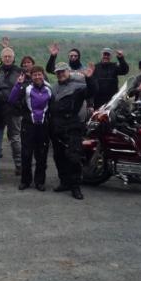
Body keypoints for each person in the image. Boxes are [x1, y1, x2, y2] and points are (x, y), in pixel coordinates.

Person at [9, 66, 52, 191]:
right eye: (35, 75)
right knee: (26, 154)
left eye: (39, 74)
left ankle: (40, 182)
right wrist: (18, 84)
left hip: (43, 126)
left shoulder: (49, 88)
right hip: (28, 126)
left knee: (41, 155)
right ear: (31, 77)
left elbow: (53, 105)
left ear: (43, 75)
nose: (37, 77)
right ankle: (25, 181)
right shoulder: (26, 88)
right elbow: (11, 100)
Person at [49, 61, 88, 200]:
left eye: (63, 71)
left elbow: (91, 91)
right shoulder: (53, 88)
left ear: (68, 71)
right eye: (58, 72)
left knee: (73, 157)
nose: (60, 74)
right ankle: (64, 182)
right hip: (56, 126)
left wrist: (90, 78)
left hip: (72, 125)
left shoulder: (79, 86)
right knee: (58, 156)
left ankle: (75, 187)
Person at [0, 47, 22, 175]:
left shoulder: (19, 71)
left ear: (13, 58)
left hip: (14, 110)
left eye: (9, 56)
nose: (7, 58)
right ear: (1, 58)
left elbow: (24, 88)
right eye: (5, 56)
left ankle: (19, 165)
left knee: (15, 138)